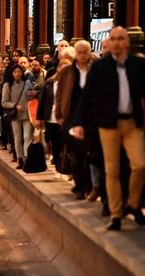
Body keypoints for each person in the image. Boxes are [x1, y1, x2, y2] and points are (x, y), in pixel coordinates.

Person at [71, 27, 145, 230]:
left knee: (140, 165)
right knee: (111, 170)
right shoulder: (101, 67)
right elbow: (86, 97)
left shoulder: (138, 65)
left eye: (121, 38)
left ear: (127, 42)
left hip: (132, 123)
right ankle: (115, 214)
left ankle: (133, 204)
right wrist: (78, 122)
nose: (117, 42)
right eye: (113, 39)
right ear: (109, 43)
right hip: (108, 124)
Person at [56, 40, 93, 200]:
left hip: (92, 117)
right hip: (72, 116)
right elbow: (60, 95)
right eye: (80, 52)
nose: (83, 55)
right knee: (76, 153)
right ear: (75, 54)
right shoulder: (66, 72)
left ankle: (90, 185)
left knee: (91, 153)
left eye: (86, 52)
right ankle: (80, 186)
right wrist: (59, 115)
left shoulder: (96, 68)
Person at [2, 64, 33, 169]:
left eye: (19, 71)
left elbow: (33, 96)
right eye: (15, 72)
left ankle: (27, 158)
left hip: (27, 114)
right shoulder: (7, 85)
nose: (17, 74)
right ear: (11, 73)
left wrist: (33, 94)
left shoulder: (27, 83)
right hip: (15, 115)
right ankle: (20, 158)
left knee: (27, 137)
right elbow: (4, 102)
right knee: (18, 138)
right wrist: (14, 105)